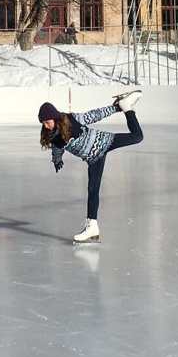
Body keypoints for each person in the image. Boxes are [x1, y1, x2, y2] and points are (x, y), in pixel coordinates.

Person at [39, 90, 144, 243]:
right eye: (43, 123)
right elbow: (56, 150)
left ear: (55, 117)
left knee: (137, 137)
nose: (45, 126)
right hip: (94, 158)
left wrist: (115, 108)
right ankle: (92, 227)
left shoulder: (72, 119)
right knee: (92, 190)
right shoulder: (54, 138)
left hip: (104, 142)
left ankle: (126, 106)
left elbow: (94, 115)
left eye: (47, 121)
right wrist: (56, 160)